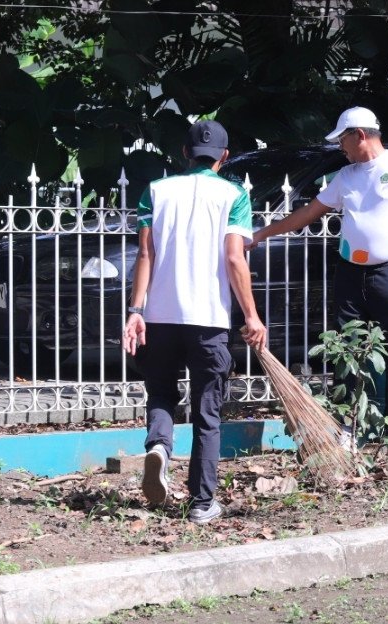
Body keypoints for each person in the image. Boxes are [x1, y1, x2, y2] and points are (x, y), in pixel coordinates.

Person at [249, 107, 388, 454]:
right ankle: (347, 428)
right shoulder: (345, 176)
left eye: (343, 140)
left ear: (360, 135)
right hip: (348, 272)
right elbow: (306, 214)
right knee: (345, 348)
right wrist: (261, 234)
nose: (340, 147)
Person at [123, 120, 267, 525]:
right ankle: (202, 502)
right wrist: (253, 316)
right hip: (208, 320)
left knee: (162, 395)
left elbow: (145, 256)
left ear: (184, 154)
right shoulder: (233, 195)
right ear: (224, 157)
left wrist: (136, 312)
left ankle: (159, 447)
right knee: (208, 413)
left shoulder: (155, 191)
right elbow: (235, 258)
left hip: (159, 319)